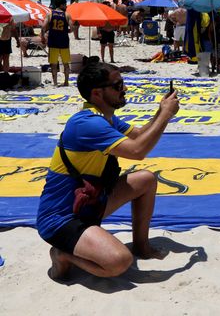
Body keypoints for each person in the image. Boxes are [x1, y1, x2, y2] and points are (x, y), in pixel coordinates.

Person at [37, 60, 180, 279]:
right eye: (117, 85)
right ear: (97, 93)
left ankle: (142, 247)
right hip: (61, 217)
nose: (124, 89)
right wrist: (166, 115)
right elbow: (138, 151)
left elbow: (140, 134)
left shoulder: (105, 118)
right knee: (118, 262)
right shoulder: (87, 124)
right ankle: (62, 254)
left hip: (89, 203)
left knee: (146, 180)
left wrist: (160, 112)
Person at [41, 0, 73, 87]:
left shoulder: (50, 14)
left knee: (53, 64)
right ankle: (66, 82)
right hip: (64, 42)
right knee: (66, 63)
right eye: (65, 4)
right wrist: (67, 31)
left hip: (53, 41)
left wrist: (43, 35)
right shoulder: (67, 15)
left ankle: (55, 83)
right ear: (61, 5)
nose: (66, 6)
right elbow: (72, 28)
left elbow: (43, 26)